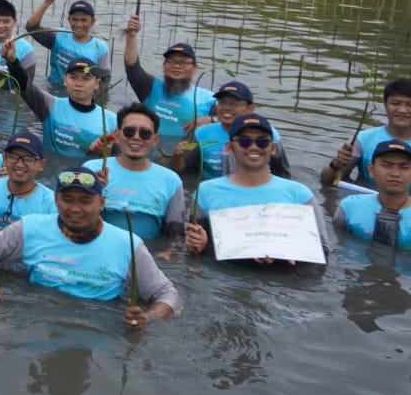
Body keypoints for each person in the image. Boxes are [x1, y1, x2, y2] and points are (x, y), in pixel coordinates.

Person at [0, 167, 181, 330]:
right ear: (56, 199)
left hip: (99, 329)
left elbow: (168, 295)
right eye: (67, 200)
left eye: (86, 201)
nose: (75, 209)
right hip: (34, 324)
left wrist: (146, 318)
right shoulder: (31, 227)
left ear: (102, 202)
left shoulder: (127, 244)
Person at [185, 113, 330, 264]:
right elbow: (194, 249)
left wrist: (287, 253)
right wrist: (200, 245)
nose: (253, 147)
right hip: (225, 279)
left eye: (262, 142)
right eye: (244, 141)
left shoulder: (300, 194)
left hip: (282, 278)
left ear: (273, 148)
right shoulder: (205, 192)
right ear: (229, 147)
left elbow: (323, 250)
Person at [323, 78, 411, 197]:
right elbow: (330, 182)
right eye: (395, 103)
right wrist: (336, 165)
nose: (402, 110)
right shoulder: (363, 140)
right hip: (365, 202)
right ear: (385, 105)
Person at [334, 140, 411, 264]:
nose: (395, 173)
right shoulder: (349, 207)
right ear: (371, 170)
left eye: (404, 167)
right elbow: (336, 247)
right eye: (386, 165)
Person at [83, 103, 185, 241]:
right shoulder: (93, 169)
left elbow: (176, 235)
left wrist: (168, 252)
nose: (136, 137)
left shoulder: (171, 181)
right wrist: (93, 192)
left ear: (155, 140)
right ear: (117, 135)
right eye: (129, 131)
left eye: (145, 133)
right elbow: (76, 218)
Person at [3, 50, 115, 160]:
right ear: (65, 80)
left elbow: (124, 154)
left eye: (86, 78)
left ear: (97, 83)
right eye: (73, 77)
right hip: (50, 175)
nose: (79, 83)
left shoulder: (111, 120)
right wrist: (12, 61)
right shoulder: (50, 105)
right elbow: (25, 85)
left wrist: (110, 151)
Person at [175, 80, 290, 182]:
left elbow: (283, 173)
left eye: (234, 103)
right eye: (222, 102)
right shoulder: (201, 133)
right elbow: (184, 171)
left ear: (251, 109)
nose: (226, 107)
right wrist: (177, 156)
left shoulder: (269, 133)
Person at [121, 15, 213, 142]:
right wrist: (131, 35)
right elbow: (132, 67)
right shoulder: (151, 88)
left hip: (185, 154)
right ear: (164, 67)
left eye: (184, 62)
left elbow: (240, 115)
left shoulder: (208, 98)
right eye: (171, 61)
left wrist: (212, 119)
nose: (177, 66)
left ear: (195, 68)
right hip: (149, 151)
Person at [26, 0, 111, 86]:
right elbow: (32, 28)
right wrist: (47, 2)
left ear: (92, 22)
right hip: (55, 90)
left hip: (81, 96)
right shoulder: (59, 37)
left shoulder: (100, 48)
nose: (79, 24)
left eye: (84, 20)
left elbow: (104, 81)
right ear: (69, 20)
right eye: (74, 19)